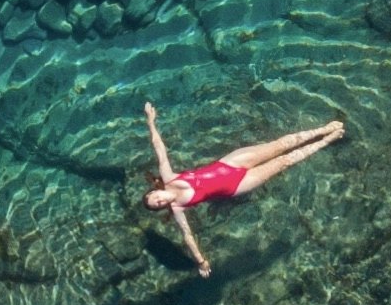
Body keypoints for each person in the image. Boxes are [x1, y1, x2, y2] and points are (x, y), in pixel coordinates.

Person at [141, 104, 345, 275]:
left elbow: (159, 148)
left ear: (154, 190)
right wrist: (201, 261)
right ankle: (326, 141)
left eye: (155, 197)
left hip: (229, 163)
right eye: (158, 205)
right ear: (162, 207)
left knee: (278, 145)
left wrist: (151, 121)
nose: (159, 201)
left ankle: (323, 130)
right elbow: (188, 236)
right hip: (236, 185)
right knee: (284, 162)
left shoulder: (169, 177)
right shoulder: (178, 208)